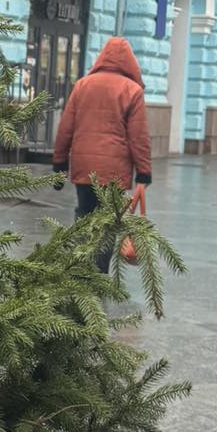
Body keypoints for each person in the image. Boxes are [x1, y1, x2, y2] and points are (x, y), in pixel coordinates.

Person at [51, 36, 152, 275]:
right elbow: (138, 136)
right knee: (108, 220)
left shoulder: (83, 85)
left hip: (84, 167)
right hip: (114, 171)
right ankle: (98, 272)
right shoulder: (132, 90)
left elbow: (66, 127)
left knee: (85, 213)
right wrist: (144, 172)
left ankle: (79, 266)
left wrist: (59, 163)